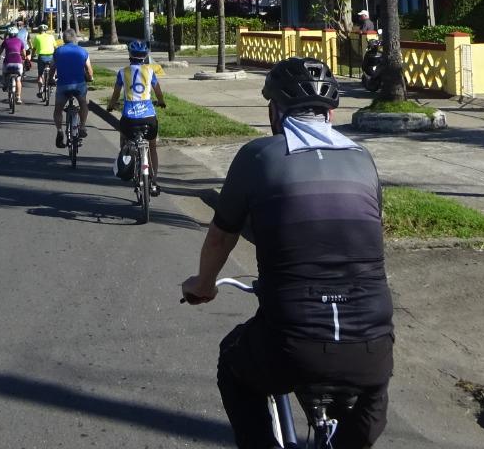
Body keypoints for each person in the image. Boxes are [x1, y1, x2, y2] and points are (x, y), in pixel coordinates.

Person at [181, 58, 393, 449]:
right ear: (331, 113)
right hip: (372, 346)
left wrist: (203, 284)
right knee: (368, 403)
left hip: (290, 341)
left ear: (273, 112)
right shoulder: (363, 159)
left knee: (233, 364)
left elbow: (220, 238)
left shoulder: (258, 156)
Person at [107, 41, 166, 194]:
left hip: (129, 119)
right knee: (152, 146)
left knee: (124, 140)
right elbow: (158, 92)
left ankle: (129, 162)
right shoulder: (150, 71)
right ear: (145, 56)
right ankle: (153, 180)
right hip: (149, 118)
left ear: (129, 55)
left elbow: (115, 94)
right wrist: (161, 102)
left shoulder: (122, 72)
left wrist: (111, 106)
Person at [51, 28, 92, 148]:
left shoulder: (58, 51)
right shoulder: (83, 51)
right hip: (79, 84)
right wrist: (90, 78)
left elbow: (53, 68)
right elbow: (89, 70)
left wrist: (50, 80)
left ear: (63, 39)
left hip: (63, 85)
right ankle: (83, 126)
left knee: (58, 109)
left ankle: (59, 130)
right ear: (75, 38)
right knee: (83, 103)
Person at [0, 25, 28, 103]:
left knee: (4, 73)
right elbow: (24, 53)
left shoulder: (6, 41)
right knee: (18, 79)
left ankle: (5, 84)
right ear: (16, 34)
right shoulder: (20, 41)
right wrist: (24, 57)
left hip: (8, 62)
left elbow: (0, 51)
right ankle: (18, 97)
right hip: (18, 62)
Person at [29, 22, 57, 98]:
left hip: (41, 57)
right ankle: (52, 80)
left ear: (39, 30)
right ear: (46, 30)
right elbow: (55, 48)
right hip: (51, 57)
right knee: (53, 70)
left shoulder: (37, 37)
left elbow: (34, 49)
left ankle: (40, 91)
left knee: (40, 75)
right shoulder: (51, 37)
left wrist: (32, 56)